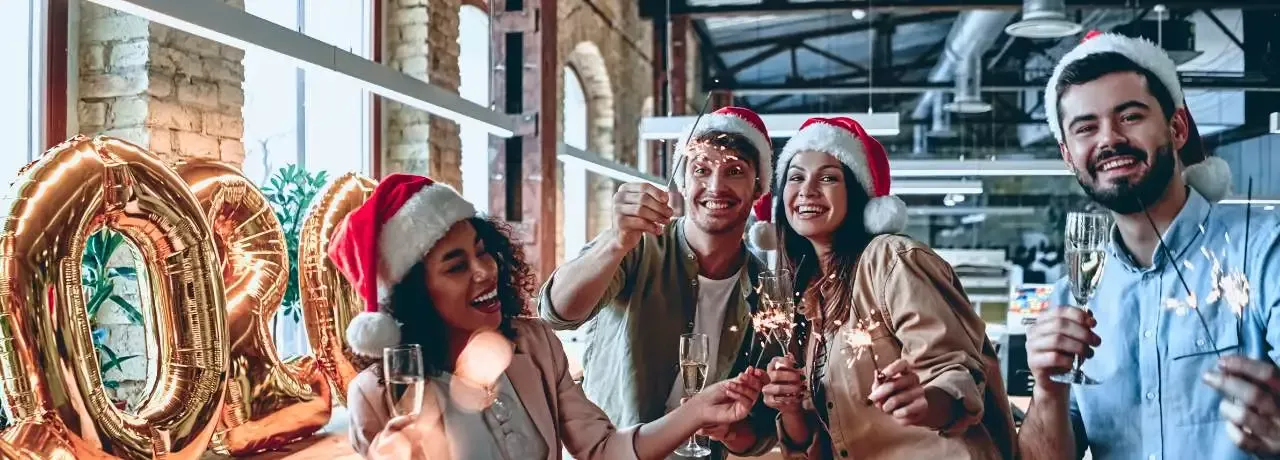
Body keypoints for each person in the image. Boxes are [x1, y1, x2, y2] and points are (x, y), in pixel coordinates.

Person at [327, 173, 769, 459]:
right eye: (456, 266)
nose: (484, 271)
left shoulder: (533, 345)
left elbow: (600, 449)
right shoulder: (376, 394)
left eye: (484, 253)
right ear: (415, 294)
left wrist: (697, 413)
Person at [1018, 31, 1280, 460]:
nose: (1108, 139)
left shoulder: (1264, 253)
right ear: (1068, 156)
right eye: (1086, 127)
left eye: (1130, 116)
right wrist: (1048, 388)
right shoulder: (1071, 297)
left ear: (1176, 128)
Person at [759, 116, 1018, 459]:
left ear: (854, 192)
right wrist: (789, 406)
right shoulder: (807, 296)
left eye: (828, 177)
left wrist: (925, 401)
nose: (807, 190)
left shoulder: (891, 259)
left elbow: (956, 374)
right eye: (796, 177)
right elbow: (818, 443)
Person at [538, 106, 781, 458]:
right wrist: (616, 240)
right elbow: (557, 312)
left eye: (734, 171)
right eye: (701, 169)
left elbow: (758, 436)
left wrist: (729, 429)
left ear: (759, 185)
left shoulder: (766, 288)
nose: (716, 186)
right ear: (683, 181)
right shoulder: (638, 245)